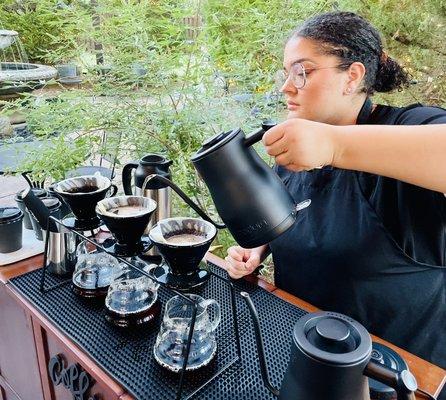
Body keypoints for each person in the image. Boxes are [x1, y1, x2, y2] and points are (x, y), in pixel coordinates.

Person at [224, 11, 446, 371]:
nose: (286, 87)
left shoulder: (406, 127)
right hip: (300, 346)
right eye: (286, 74)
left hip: (390, 373)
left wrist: (335, 146)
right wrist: (259, 246)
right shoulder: (296, 146)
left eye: (302, 71)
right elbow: (291, 213)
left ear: (352, 76)